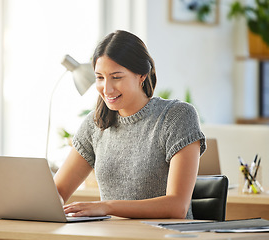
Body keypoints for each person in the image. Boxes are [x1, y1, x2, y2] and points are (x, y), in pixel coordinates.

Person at [54, 30, 206, 219]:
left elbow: (177, 206)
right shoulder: (95, 125)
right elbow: (56, 194)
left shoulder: (176, 116)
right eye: (100, 77)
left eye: (116, 77)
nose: (106, 88)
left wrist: (107, 207)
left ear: (142, 75)